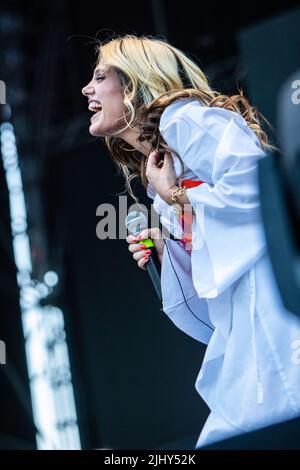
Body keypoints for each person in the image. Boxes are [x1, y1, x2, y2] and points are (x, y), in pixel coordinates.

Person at [82, 34, 300, 448]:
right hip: (244, 323)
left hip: (272, 306)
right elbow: (205, 309)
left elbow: (257, 184)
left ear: (132, 82)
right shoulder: (159, 167)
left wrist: (177, 198)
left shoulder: (185, 119)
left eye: (99, 76)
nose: (86, 89)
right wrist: (171, 252)